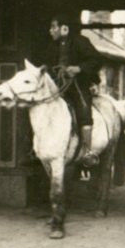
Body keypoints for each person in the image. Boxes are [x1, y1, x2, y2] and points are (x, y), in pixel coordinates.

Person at [45, 15, 103, 168]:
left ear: (64, 28)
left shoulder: (81, 42)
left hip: (78, 85)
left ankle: (87, 153)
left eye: (53, 27)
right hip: (57, 87)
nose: (50, 31)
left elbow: (96, 60)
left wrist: (79, 68)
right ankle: (37, 150)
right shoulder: (52, 46)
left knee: (84, 113)